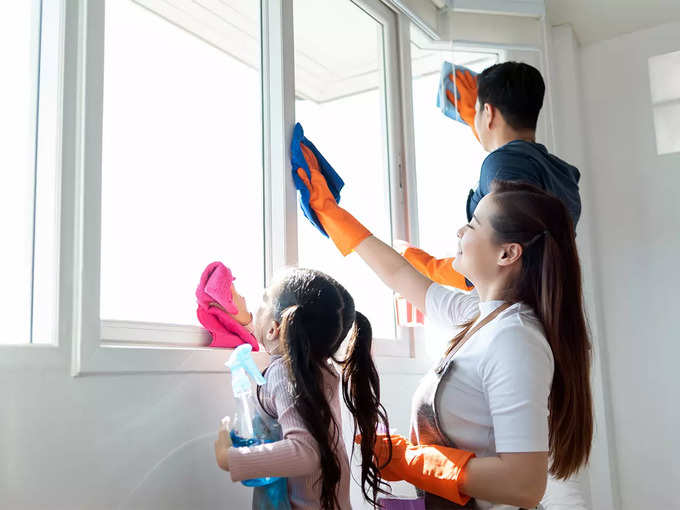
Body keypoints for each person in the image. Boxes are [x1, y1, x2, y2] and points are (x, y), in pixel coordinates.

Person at [295, 145, 593, 509]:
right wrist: (332, 214)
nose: (460, 231)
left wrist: (412, 462)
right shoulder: (480, 315)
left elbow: (525, 484)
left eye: (473, 224)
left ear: (507, 253)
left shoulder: (515, 339)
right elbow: (401, 275)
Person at [214, 268, 390, 509]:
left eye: (264, 301)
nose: (257, 307)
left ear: (275, 329)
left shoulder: (284, 373)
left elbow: (306, 452)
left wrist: (229, 458)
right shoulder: (320, 369)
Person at [404, 62, 582, 291]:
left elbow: (502, 252)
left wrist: (418, 262)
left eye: (477, 109)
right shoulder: (562, 172)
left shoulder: (502, 164)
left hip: (515, 306)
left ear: (488, 113)